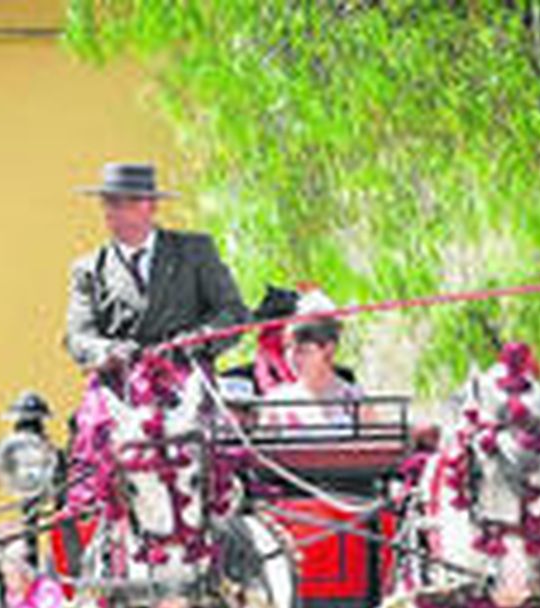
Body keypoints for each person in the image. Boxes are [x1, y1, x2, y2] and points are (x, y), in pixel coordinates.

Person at [64, 161, 248, 378]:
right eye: (112, 203)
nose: (121, 213)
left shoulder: (194, 251)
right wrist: (108, 350)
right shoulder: (89, 269)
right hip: (119, 387)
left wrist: (196, 341)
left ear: (152, 206)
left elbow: (233, 312)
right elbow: (77, 336)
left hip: (188, 380)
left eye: (133, 202)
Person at [259, 288, 366, 436]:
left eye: (303, 351)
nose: (293, 359)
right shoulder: (277, 404)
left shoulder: (353, 400)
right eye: (288, 349)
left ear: (328, 349)